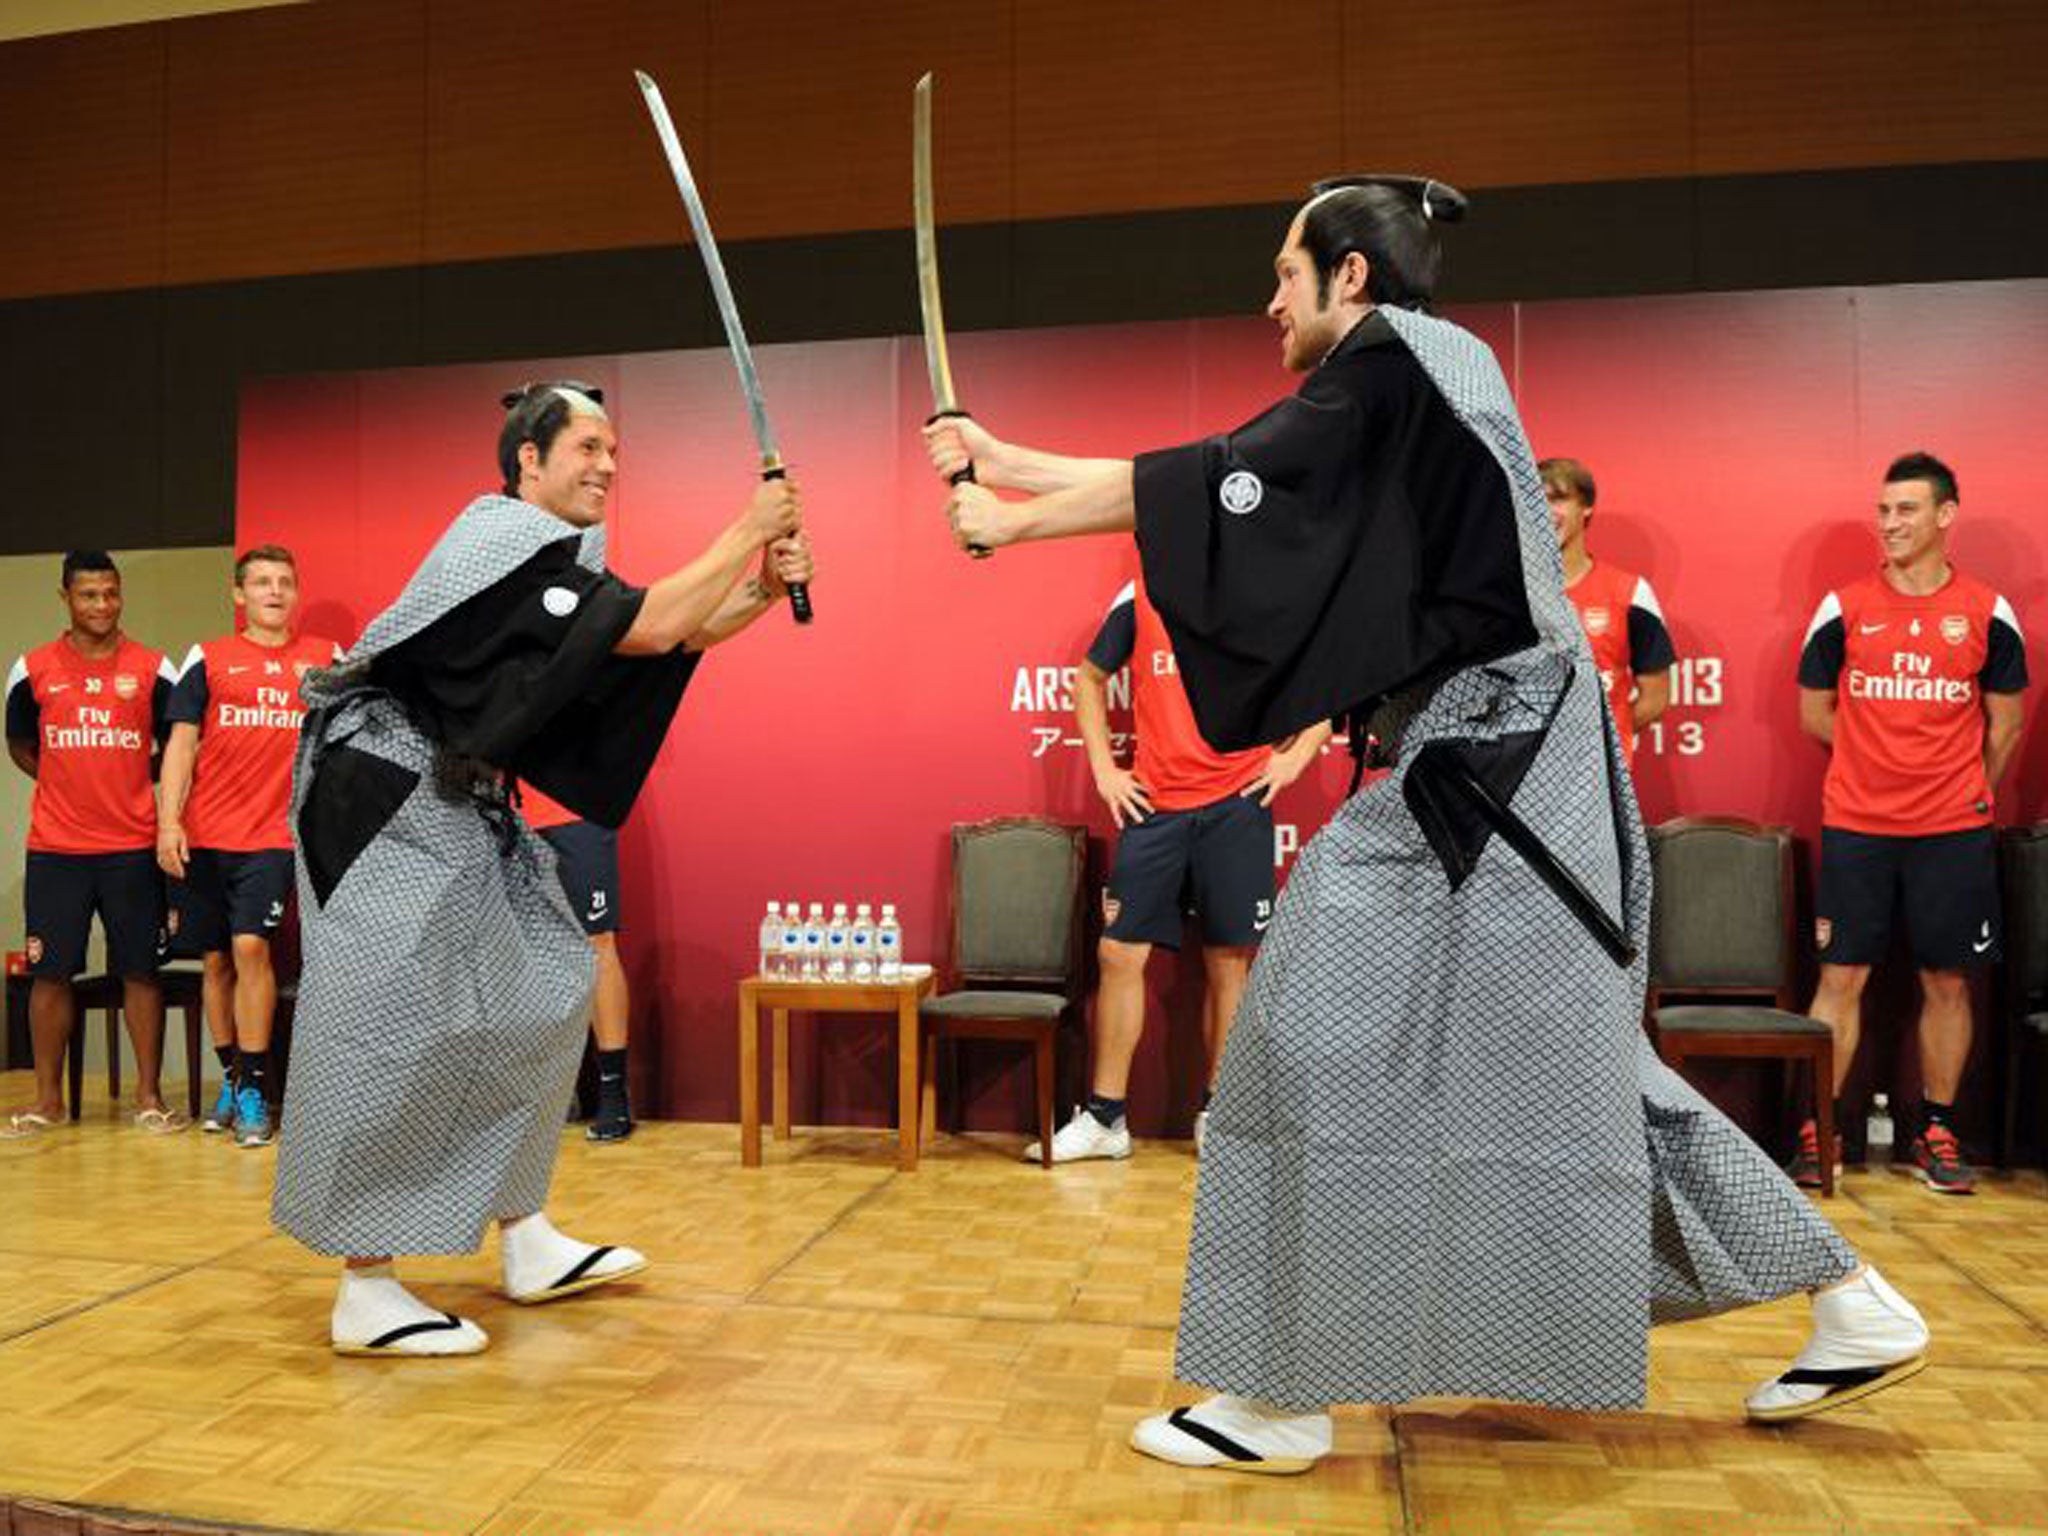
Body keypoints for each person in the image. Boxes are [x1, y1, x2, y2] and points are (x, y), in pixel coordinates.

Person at [927, 178, 1928, 1471]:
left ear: (1351, 278)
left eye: (1285, 273)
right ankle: (1851, 1298)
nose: (1268, 299)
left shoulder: (1397, 361)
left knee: (1296, 1027)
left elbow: (1232, 480)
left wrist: (1007, 515)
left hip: (1491, 776)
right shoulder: (1421, 377)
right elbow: (1234, 481)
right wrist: (1011, 477)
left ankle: (1279, 1396)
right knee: (1582, 1071)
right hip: (1504, 774)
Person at [273, 381, 809, 1356]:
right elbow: (645, 623)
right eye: (588, 447)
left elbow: (660, 633)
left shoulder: (553, 566)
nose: (607, 465)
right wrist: (747, 526)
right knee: (387, 1021)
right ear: (528, 459)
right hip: (380, 795)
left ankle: (523, 1234)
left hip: (457, 795)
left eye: (615, 450)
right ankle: (366, 1285)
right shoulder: (493, 542)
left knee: (547, 978)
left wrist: (762, 587)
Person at [1033, 572, 1328, 1163]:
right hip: (1156, 805)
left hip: (1237, 806)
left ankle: (1220, 1116)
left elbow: (1324, 684)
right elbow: (1090, 680)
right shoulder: (1139, 592)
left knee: (1229, 963)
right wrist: (1105, 769)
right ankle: (1106, 1119)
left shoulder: (1265, 582)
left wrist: (1295, 760)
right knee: (1118, 954)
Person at [1795, 452, 2028, 1196]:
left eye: (1906, 511)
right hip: (1859, 825)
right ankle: (1821, 1131)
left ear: (1945, 516)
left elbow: (2006, 727)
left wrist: (1957, 790)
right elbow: (1814, 713)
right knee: (1841, 977)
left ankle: (1937, 1129)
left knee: (1947, 982)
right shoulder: (1843, 607)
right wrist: (1877, 767)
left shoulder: (1988, 611)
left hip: (1951, 832)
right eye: (1884, 510)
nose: (1890, 524)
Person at [158, 545, 338, 1148]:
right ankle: (233, 1079)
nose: (274, 591)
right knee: (215, 961)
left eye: (285, 581)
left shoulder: (323, 660)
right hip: (206, 836)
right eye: (261, 582)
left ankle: (257, 1089)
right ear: (239, 595)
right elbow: (181, 745)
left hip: (273, 836)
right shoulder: (207, 659)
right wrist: (167, 823)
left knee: (250, 947)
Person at [4, 552, 182, 1137]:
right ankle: (48, 1102)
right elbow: (23, 746)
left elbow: (177, 748)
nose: (102, 605)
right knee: (49, 974)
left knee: (140, 971)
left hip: (132, 846)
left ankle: (150, 1098)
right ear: (66, 598)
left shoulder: (155, 669)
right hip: (56, 849)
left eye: (111, 593)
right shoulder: (31, 671)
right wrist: (68, 783)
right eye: (89, 595)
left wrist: (124, 785)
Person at [520, 789, 636, 1141]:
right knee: (517, 951)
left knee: (597, 942)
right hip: (502, 810)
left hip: (575, 809)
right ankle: (549, 1092)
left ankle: (613, 1093)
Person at [1540, 457, 1675, 756]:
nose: (1545, 510)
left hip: (1603, 777)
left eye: (1558, 498)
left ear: (1586, 506)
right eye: (1536, 499)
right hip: (1525, 776)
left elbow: (1656, 697)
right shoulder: (1511, 594)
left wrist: (1603, 745)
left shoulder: (1629, 592)